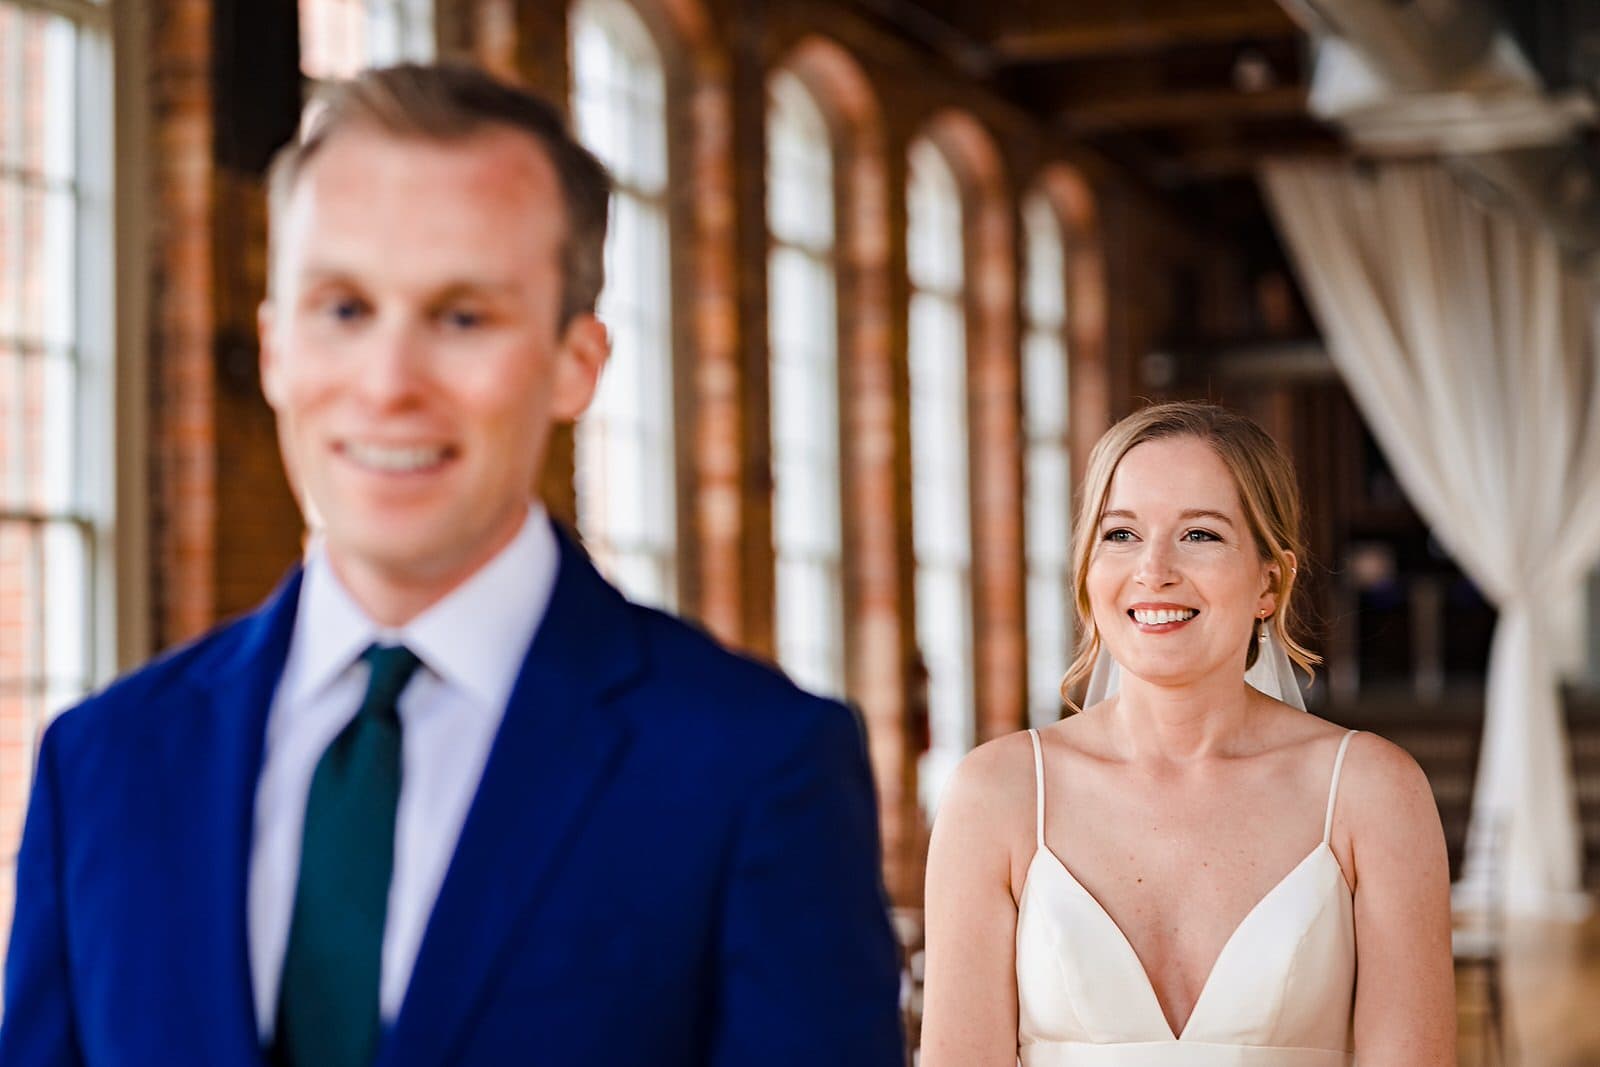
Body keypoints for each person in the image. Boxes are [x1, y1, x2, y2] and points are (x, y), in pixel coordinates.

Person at [0, 63, 903, 1067]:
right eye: (343, 308)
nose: (389, 385)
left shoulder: (754, 766)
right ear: (273, 349)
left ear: (577, 362)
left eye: (462, 316)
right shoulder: (103, 763)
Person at [919, 402, 1455, 1066]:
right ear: (1088, 571)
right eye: (1121, 534)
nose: (1154, 569)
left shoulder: (1373, 791)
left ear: (1271, 579)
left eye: (1200, 534)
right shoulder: (993, 794)